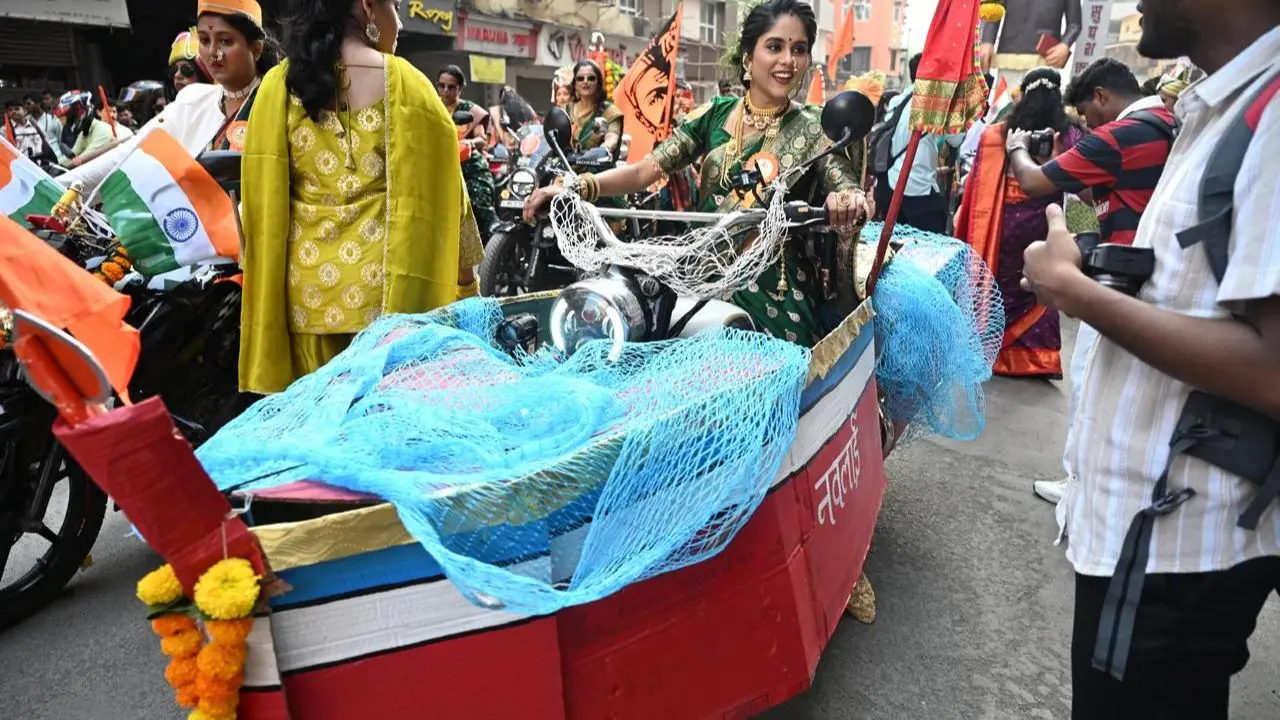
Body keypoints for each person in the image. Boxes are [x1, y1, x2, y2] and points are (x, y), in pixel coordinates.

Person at [524, 0, 878, 621]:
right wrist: (577, 187)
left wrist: (850, 202)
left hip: (776, 300)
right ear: (748, 56)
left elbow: (844, 185)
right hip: (702, 285)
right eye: (775, 46)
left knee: (784, 431)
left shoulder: (813, 133)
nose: (788, 60)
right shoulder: (713, 116)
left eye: (799, 48)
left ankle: (827, 555)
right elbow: (641, 172)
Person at [1019, 2, 1280, 715]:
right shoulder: (1201, 109)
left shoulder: (1237, 117)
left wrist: (1070, 287)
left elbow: (1043, 184)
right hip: (1142, 517)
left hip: (1176, 539)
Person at [240, 0, 482, 395]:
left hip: (305, 304)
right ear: (368, 6)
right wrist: (467, 288)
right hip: (390, 310)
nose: (399, 21)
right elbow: (450, 201)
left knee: (318, 431)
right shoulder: (410, 86)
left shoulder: (279, 87)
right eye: (394, 5)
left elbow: (258, 207)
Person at [1007, 57, 1178, 504]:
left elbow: (1030, 182)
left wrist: (1017, 148)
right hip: (1159, 276)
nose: (1088, 123)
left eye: (1087, 113)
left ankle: (1079, 484)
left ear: (1101, 96)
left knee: (1088, 379)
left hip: (1122, 281)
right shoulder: (1166, 124)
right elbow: (1097, 187)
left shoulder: (1120, 135)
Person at [59, 0, 279, 191]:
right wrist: (55, 188)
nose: (213, 52)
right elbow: (130, 155)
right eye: (204, 40)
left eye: (226, 41)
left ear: (256, 49)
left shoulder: (281, 105)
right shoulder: (192, 100)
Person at [955, 67, 1083, 378]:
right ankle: (1037, 359)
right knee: (1038, 281)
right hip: (1045, 218)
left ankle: (994, 350)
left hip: (1003, 220)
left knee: (1002, 282)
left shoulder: (1003, 133)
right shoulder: (1069, 134)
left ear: (1023, 94)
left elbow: (977, 180)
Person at [882, 54, 965, 233]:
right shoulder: (934, 102)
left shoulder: (899, 100)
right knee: (926, 250)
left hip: (891, 183)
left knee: (892, 246)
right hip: (918, 189)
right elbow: (957, 139)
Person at [437, 64, 498, 235]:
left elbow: (481, 138)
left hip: (465, 162)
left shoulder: (470, 110)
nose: (445, 91)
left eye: (451, 87)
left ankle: (490, 227)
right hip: (437, 160)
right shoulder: (432, 106)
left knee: (477, 193)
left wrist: (470, 143)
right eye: (441, 85)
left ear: (460, 89)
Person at [54, 91, 134, 169]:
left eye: (70, 117)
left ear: (83, 112)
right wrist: (53, 164)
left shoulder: (103, 130)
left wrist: (60, 167)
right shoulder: (85, 132)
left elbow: (82, 159)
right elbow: (73, 153)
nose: (69, 123)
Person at [567, 59, 623, 154]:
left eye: (591, 78)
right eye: (580, 78)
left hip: (595, 166)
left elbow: (612, 137)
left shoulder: (609, 111)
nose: (586, 82)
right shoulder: (568, 109)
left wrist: (603, 149)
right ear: (575, 84)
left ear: (598, 83)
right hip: (564, 164)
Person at [166, 26, 215, 100]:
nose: (177, 75)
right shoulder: (170, 110)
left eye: (186, 70)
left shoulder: (221, 110)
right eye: (173, 70)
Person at [23, 93, 65, 163]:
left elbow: (60, 138)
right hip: (38, 159)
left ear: (38, 103)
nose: (25, 106)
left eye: (28, 104)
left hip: (57, 156)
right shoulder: (26, 121)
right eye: (24, 104)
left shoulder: (52, 119)